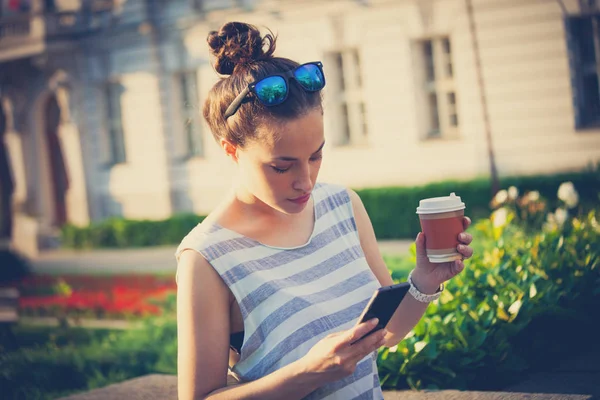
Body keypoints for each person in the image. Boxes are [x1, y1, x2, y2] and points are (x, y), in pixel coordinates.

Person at [175, 21, 474, 400]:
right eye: (282, 167)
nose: (306, 181)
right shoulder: (206, 257)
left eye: (316, 156)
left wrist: (425, 280)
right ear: (231, 150)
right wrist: (306, 373)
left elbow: (386, 333)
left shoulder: (342, 205)